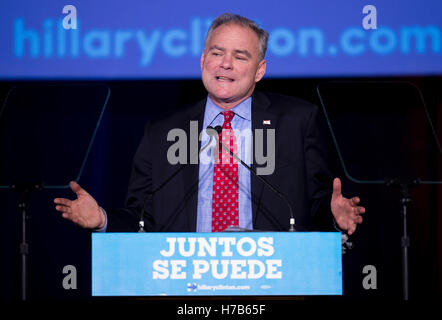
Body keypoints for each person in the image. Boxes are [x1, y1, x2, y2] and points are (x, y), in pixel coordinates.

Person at [54, 13, 365, 234]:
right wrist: (103, 220)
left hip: (272, 279)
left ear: (259, 70)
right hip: (183, 281)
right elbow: (142, 219)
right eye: (217, 53)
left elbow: (314, 207)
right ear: (203, 61)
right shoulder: (162, 131)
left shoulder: (298, 121)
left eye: (240, 56)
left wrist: (333, 216)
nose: (226, 63)